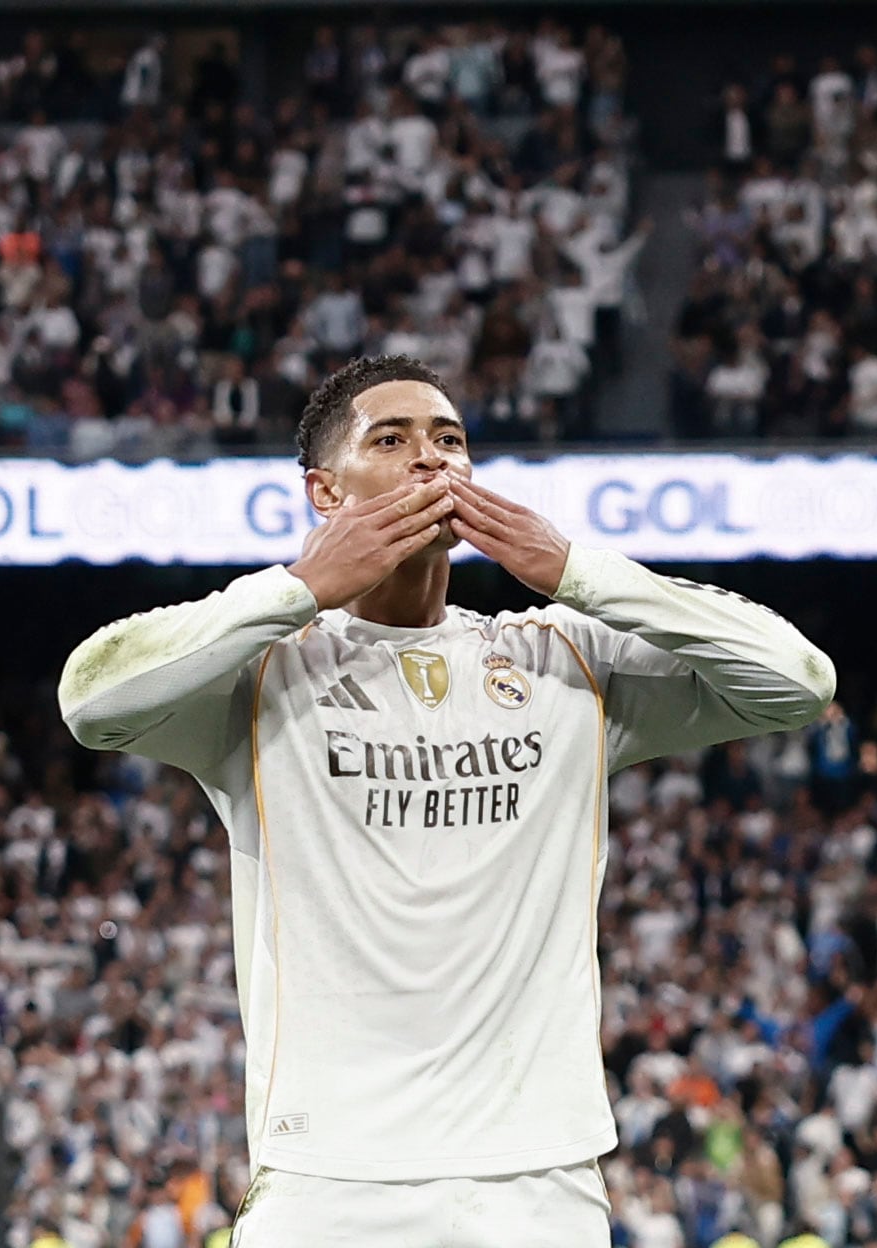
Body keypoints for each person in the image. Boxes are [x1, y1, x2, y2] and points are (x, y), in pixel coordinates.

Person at [58, 354, 836, 1245]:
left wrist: (579, 570)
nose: (432, 461)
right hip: (331, 1177)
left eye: (450, 441)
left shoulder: (564, 658)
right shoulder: (266, 669)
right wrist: (300, 587)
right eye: (390, 441)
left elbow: (798, 680)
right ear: (325, 491)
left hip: (537, 1178)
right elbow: (90, 698)